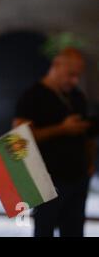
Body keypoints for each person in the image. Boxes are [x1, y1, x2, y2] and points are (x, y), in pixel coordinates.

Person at [13, 47, 97, 237]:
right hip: (46, 180)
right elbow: (19, 138)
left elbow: (86, 134)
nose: (74, 80)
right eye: (70, 74)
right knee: (44, 231)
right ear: (56, 65)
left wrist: (90, 163)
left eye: (78, 76)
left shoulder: (77, 96)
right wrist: (62, 129)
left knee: (74, 231)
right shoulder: (33, 95)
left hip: (77, 178)